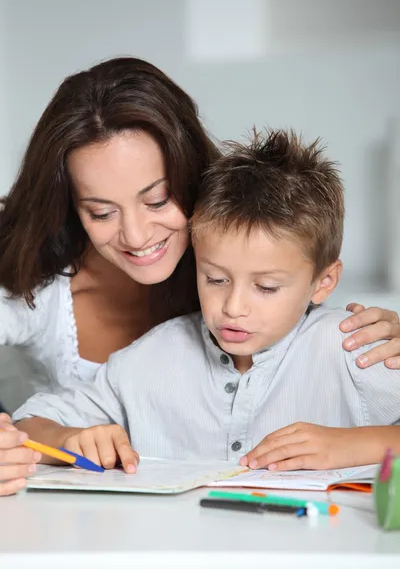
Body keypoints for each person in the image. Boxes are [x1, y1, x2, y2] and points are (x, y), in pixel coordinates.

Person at [0, 59, 399, 495]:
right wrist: (64, 440)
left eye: (156, 200)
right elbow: (33, 423)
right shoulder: (140, 360)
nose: (234, 306)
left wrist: (363, 442)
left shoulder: (342, 346)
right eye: (101, 211)